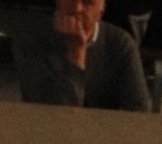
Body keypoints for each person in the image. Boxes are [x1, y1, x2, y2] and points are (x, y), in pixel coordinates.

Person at [14, 0, 150, 110]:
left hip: (103, 133)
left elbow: (139, 112)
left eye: (87, 2)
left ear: (101, 11)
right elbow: (54, 115)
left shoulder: (120, 43)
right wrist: (76, 52)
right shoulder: (32, 37)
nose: (77, 8)